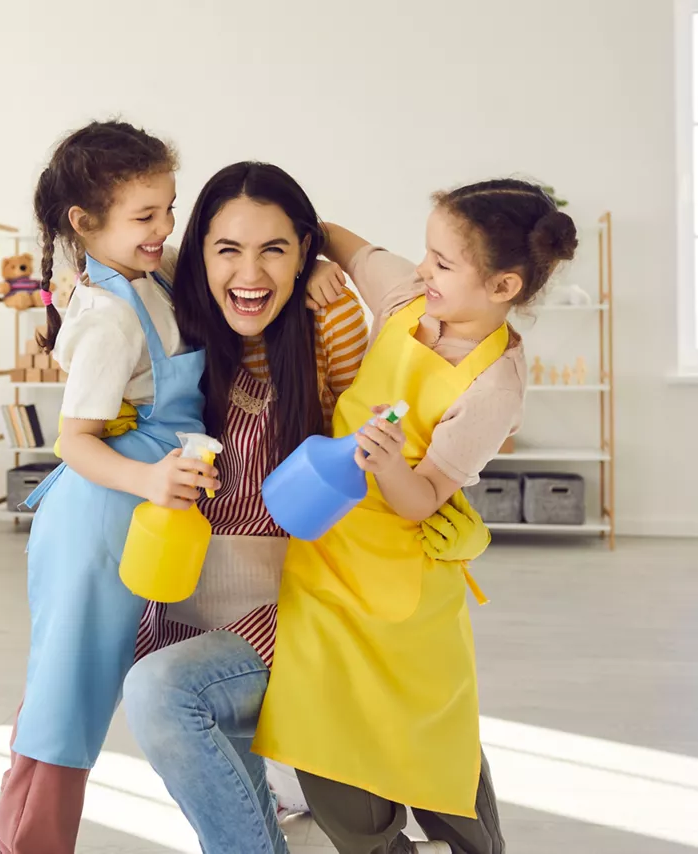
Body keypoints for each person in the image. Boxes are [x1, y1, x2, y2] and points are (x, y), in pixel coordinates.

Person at [121, 162, 493, 854]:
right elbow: (110, 261)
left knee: (160, 693)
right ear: (197, 253)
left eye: (275, 250)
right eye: (227, 249)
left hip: (296, 612)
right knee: (149, 689)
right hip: (186, 598)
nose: (249, 273)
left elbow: (386, 437)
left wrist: (430, 497)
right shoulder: (169, 316)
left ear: (303, 252)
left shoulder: (332, 326)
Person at [253, 178, 579, 854]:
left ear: (503, 288)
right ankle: (374, 846)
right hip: (324, 551)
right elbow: (345, 239)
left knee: (429, 732)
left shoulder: (494, 385)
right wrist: (315, 259)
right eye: (427, 254)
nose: (422, 269)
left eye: (443, 263)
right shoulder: (407, 294)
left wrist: (391, 464)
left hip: (401, 576)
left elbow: (426, 496)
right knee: (320, 717)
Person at [0, 119, 219, 854]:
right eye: (146, 217)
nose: (164, 228)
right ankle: (23, 843)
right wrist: (151, 476)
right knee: (71, 693)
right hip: (101, 513)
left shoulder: (149, 275)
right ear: (87, 225)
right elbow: (74, 442)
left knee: (79, 680)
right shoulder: (110, 317)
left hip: (142, 509)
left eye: (169, 208)